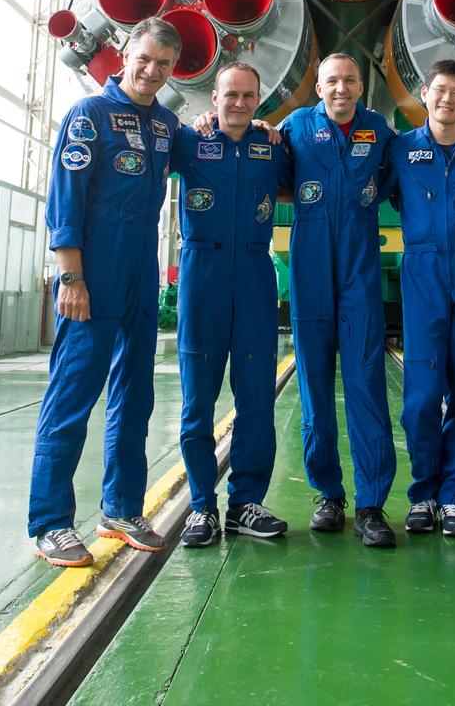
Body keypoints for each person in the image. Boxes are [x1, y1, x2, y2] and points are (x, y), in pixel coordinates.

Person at [29, 17, 181, 567]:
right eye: (144, 59)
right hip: (91, 273)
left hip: (141, 274)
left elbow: (215, 152)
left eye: (163, 64)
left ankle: (120, 508)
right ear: (125, 54)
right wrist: (71, 276)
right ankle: (50, 522)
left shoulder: (166, 125)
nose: (151, 70)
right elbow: (64, 200)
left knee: (134, 397)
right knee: (72, 396)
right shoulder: (89, 116)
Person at [279, 53, 398, 548]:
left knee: (366, 382)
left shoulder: (382, 131)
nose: (341, 88)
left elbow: (398, 176)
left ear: (361, 86)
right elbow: (264, 160)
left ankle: (371, 504)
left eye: (350, 80)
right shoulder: (293, 127)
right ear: (318, 86)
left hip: (359, 272)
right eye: (332, 81)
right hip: (309, 268)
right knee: (313, 383)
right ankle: (328, 493)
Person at [172, 63, 293, 547]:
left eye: (248, 95)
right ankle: (202, 507)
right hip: (202, 275)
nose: (239, 103)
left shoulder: (273, 147)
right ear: (214, 97)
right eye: (230, 95)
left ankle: (245, 503)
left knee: (257, 399)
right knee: (197, 401)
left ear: (258, 101)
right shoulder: (190, 141)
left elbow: (297, 182)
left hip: (255, 277)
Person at [384, 60, 455, 537]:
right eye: (439, 90)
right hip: (423, 270)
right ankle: (422, 495)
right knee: (422, 395)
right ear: (423, 93)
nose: (447, 99)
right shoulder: (399, 150)